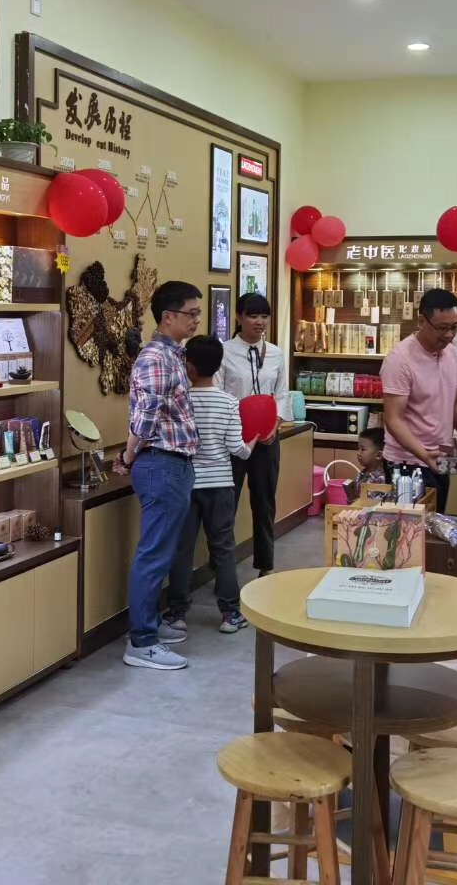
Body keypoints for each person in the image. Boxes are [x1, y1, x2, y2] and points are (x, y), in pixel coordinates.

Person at [115, 280, 201, 671]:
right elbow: (145, 418)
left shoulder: (172, 355)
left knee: (163, 551)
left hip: (174, 463)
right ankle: (142, 641)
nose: (196, 321)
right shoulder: (155, 358)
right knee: (154, 554)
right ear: (168, 317)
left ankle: (148, 624)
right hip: (161, 463)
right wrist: (128, 455)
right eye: (191, 314)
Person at [162, 336, 257, 635]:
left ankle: (177, 613)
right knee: (223, 548)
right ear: (218, 366)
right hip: (220, 485)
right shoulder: (229, 402)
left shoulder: (179, 401)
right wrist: (252, 443)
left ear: (188, 366)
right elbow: (237, 449)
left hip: (185, 484)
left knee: (182, 549)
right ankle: (230, 614)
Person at [381, 288, 457, 511]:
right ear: (422, 321)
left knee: (435, 522)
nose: (449, 335)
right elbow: (393, 419)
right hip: (407, 463)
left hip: (439, 458)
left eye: (455, 327)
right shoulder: (400, 360)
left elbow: (456, 403)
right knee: (409, 529)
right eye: (442, 328)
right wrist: (424, 455)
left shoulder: (450, 353)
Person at [217, 293, 290, 576]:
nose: (259, 322)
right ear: (238, 317)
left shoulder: (276, 353)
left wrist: (274, 426)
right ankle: (222, 568)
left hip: (267, 439)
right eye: (253, 315)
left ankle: (265, 565)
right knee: (227, 503)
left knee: (264, 502)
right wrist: (234, 432)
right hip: (233, 440)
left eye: (264, 316)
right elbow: (219, 395)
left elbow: (281, 394)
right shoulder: (224, 352)